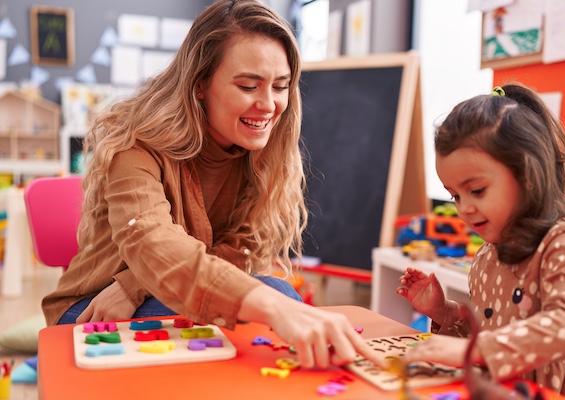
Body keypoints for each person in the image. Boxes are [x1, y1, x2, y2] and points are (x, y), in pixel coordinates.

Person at [42, 0, 383, 370]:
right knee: (274, 296)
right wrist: (276, 307)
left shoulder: (262, 154)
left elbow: (236, 250)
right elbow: (152, 243)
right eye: (248, 85)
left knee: (271, 304)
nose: (268, 104)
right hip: (91, 308)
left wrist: (134, 284)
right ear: (200, 84)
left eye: (281, 86)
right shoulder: (135, 146)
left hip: (153, 293)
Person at [396, 83, 565, 399]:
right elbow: (492, 335)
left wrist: (475, 351)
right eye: (454, 196)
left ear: (527, 176)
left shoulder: (563, 243)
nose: (464, 208)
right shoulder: (488, 253)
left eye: (476, 191)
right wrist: (444, 312)